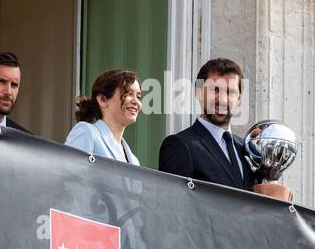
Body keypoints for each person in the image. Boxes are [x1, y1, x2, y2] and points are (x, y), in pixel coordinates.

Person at [158, 57, 291, 201]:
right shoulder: (180, 145)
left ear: (239, 99)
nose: (222, 99)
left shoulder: (248, 149)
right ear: (198, 93)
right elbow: (171, 209)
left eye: (230, 92)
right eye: (215, 90)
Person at [64, 69, 142, 165]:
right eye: (128, 94)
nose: (136, 102)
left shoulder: (134, 161)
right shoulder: (87, 132)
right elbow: (68, 176)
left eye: (138, 96)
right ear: (102, 99)